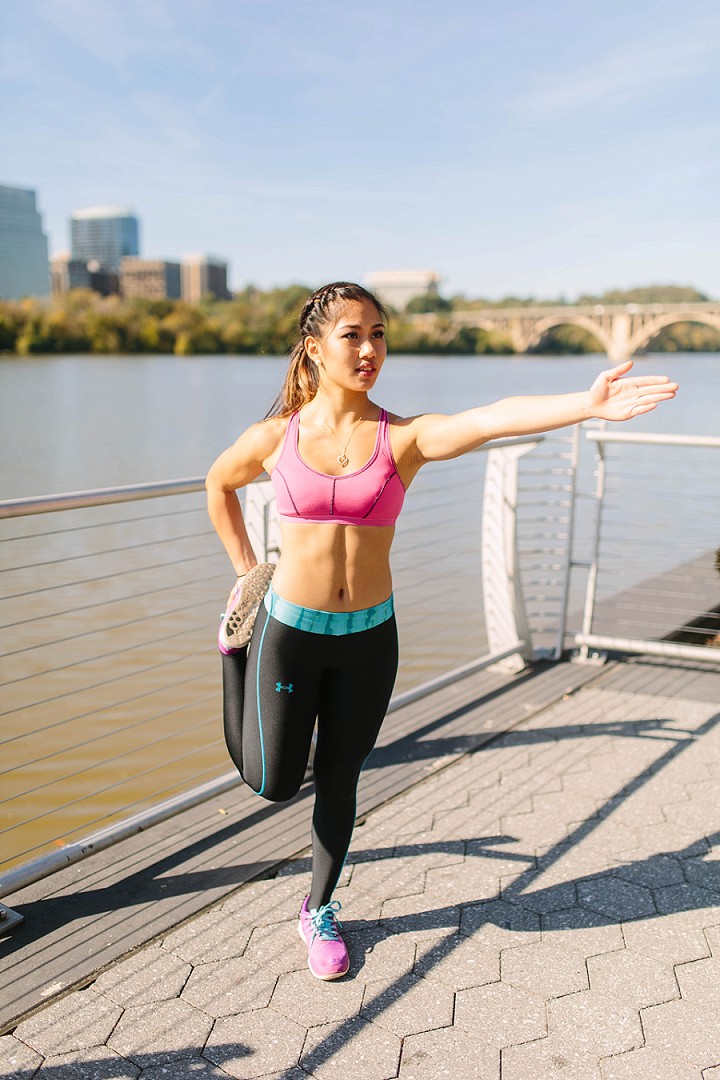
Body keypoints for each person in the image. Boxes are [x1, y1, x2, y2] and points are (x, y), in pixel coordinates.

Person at [205, 281, 677, 980]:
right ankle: (231, 650)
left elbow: (491, 418)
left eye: (380, 334)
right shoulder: (275, 439)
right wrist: (249, 571)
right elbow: (217, 484)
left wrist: (587, 404)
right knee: (272, 783)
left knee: (340, 778)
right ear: (314, 349)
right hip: (290, 632)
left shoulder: (404, 437)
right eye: (352, 335)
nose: (370, 350)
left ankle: (319, 910)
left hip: (369, 636)